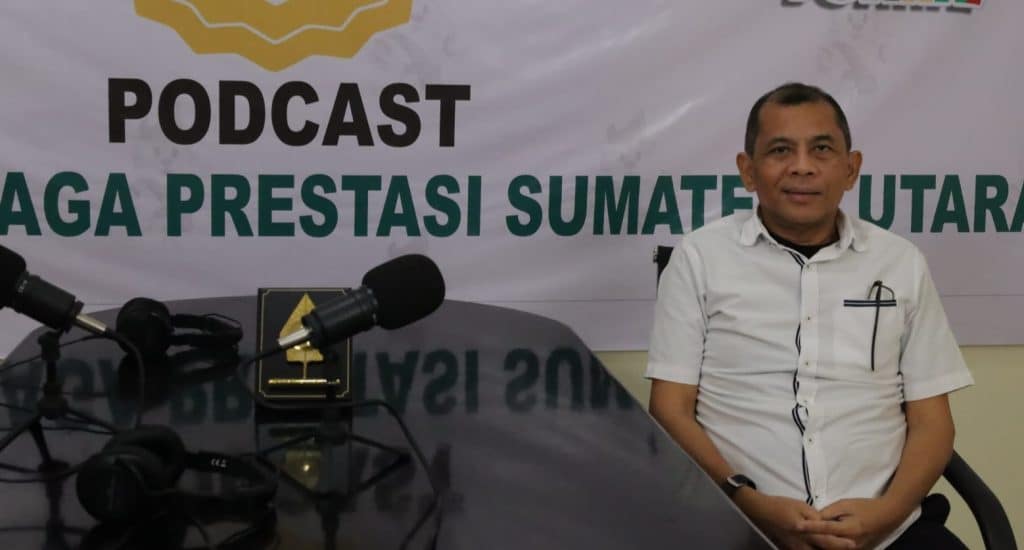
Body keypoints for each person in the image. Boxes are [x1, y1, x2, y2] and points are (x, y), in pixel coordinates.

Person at [646, 82, 973, 550]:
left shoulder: (900, 263)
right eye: (780, 150)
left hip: (886, 528)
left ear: (851, 168)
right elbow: (670, 409)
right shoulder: (699, 259)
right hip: (738, 521)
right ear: (748, 171)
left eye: (821, 149)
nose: (802, 166)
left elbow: (932, 423)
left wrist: (886, 515)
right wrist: (747, 501)